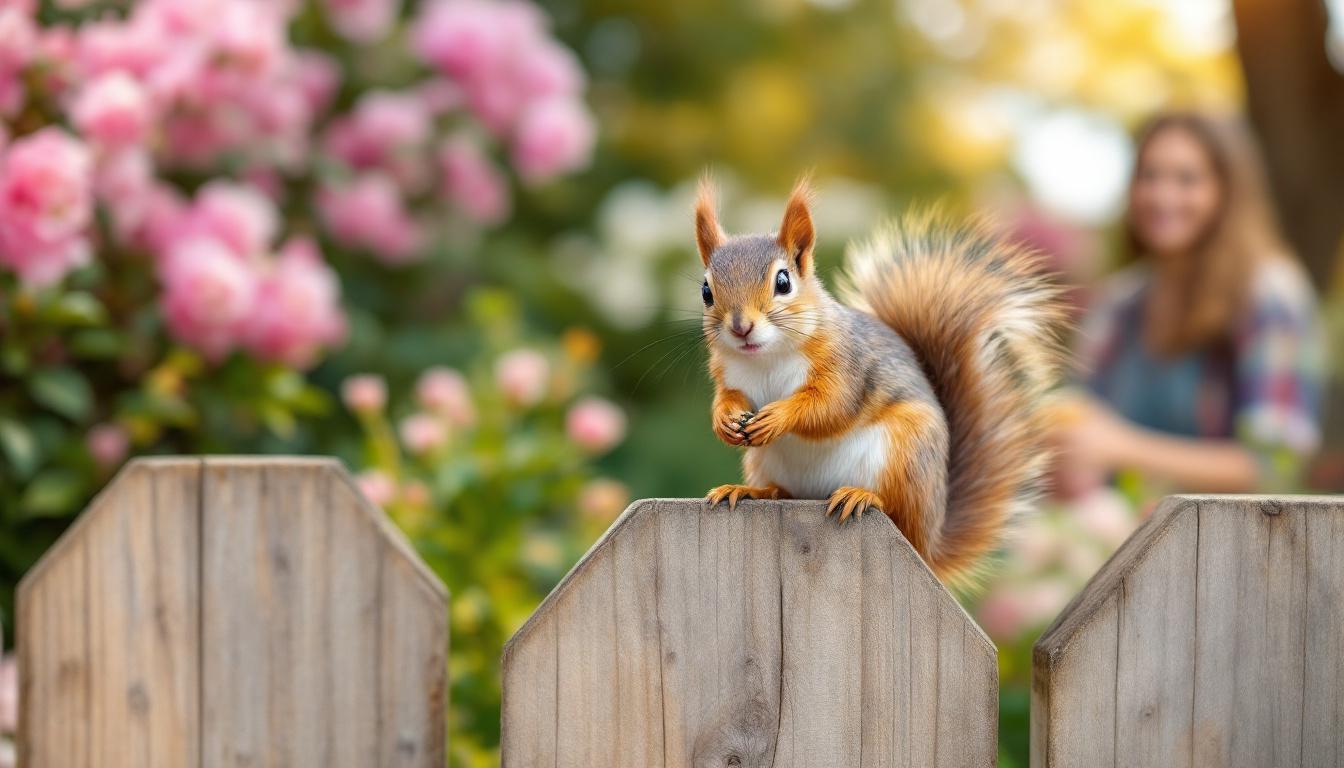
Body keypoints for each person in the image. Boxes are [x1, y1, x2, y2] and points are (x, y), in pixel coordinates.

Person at [1055, 112, 1325, 498]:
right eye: (1149, 176)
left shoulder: (1269, 297)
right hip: (1108, 536)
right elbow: (1078, 423)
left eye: (1187, 179)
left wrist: (1122, 448)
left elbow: (1274, 464)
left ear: (1227, 191)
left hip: (1228, 547)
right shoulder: (1118, 304)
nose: (1163, 196)